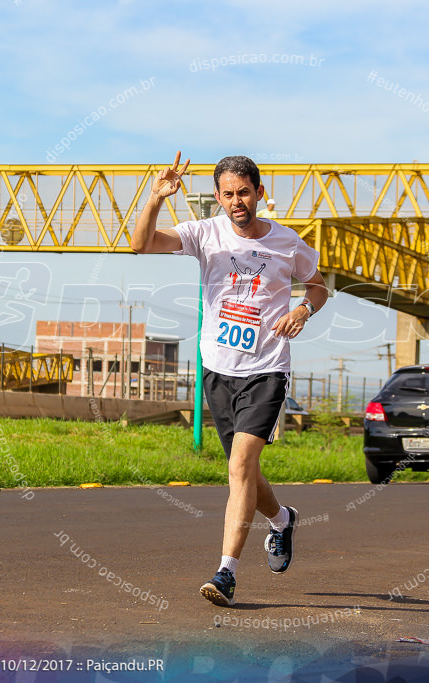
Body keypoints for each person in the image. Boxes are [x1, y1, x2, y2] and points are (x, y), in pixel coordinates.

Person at [130, 152, 328, 606]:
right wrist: (156, 198)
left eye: (243, 192)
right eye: (227, 194)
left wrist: (302, 309)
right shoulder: (205, 233)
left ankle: (226, 574)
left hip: (267, 367)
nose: (236, 201)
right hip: (218, 367)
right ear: (217, 197)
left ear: (259, 193)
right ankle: (282, 520)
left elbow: (318, 287)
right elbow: (140, 244)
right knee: (243, 471)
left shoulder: (288, 243)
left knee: (240, 467)